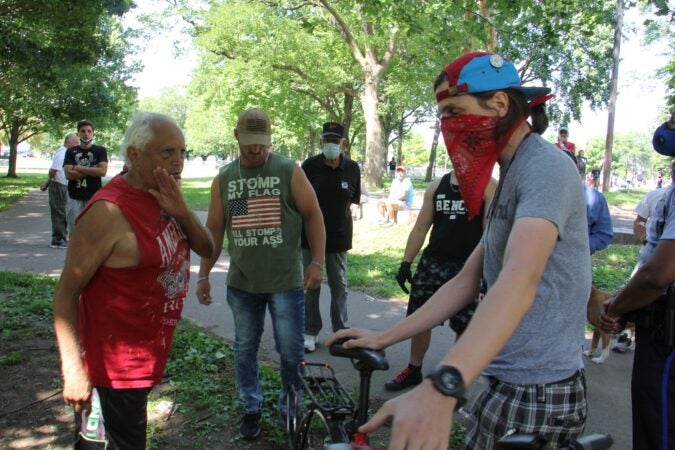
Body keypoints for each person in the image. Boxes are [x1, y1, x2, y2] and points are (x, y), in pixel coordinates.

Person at [329, 51, 591, 449]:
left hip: (539, 392)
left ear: (500, 104)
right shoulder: (512, 174)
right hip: (503, 380)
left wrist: (442, 385)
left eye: (455, 111)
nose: (448, 126)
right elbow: (467, 280)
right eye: (443, 115)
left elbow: (521, 277)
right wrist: (388, 336)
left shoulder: (546, 168)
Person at [52, 112, 215, 449]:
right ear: (135, 155)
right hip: (110, 373)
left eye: (183, 152)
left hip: (142, 363)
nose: (178, 162)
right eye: (167, 152)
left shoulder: (166, 194)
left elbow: (207, 247)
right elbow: (66, 292)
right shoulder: (108, 211)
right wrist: (74, 370)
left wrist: (182, 211)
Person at [196, 108, 325, 440]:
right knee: (244, 347)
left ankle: (290, 408)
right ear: (237, 137)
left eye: (261, 144)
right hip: (242, 283)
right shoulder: (225, 177)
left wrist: (317, 262)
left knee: (292, 351)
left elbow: (313, 215)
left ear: (269, 140)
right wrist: (203, 275)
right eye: (248, 144)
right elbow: (216, 227)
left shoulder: (287, 170)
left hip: (285, 282)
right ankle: (251, 406)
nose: (254, 150)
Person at [599, 113, 675, 450]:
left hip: (667, 343)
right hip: (658, 327)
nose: (666, 126)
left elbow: (659, 274)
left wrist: (617, 306)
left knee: (658, 433)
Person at [384, 170, 495, 391]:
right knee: (420, 317)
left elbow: (489, 232)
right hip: (433, 262)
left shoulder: (488, 185)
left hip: (467, 265)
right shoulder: (437, 186)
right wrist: (406, 263)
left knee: (464, 325)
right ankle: (414, 369)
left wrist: (487, 271)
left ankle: (452, 379)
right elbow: (420, 228)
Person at [301, 122, 361, 352]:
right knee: (310, 285)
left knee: (339, 286)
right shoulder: (309, 166)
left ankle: (340, 332)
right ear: (321, 142)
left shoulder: (352, 168)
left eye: (336, 141)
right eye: (327, 140)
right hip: (309, 237)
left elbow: (353, 200)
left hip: (338, 238)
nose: (331, 145)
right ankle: (309, 331)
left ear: (343, 143)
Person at [63, 120, 109, 236]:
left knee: (93, 233)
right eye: (83, 131)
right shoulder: (70, 152)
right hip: (74, 197)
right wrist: (93, 169)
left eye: (89, 131)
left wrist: (78, 168)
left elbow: (102, 171)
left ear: (93, 133)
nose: (86, 134)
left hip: (93, 198)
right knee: (75, 233)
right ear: (78, 134)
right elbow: (68, 174)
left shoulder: (100, 151)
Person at [42, 133, 79, 248]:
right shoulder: (62, 152)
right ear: (69, 142)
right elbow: (53, 170)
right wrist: (48, 183)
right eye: (76, 143)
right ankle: (57, 239)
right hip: (58, 186)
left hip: (62, 185)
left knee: (63, 211)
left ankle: (62, 237)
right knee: (59, 212)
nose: (77, 145)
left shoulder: (66, 153)